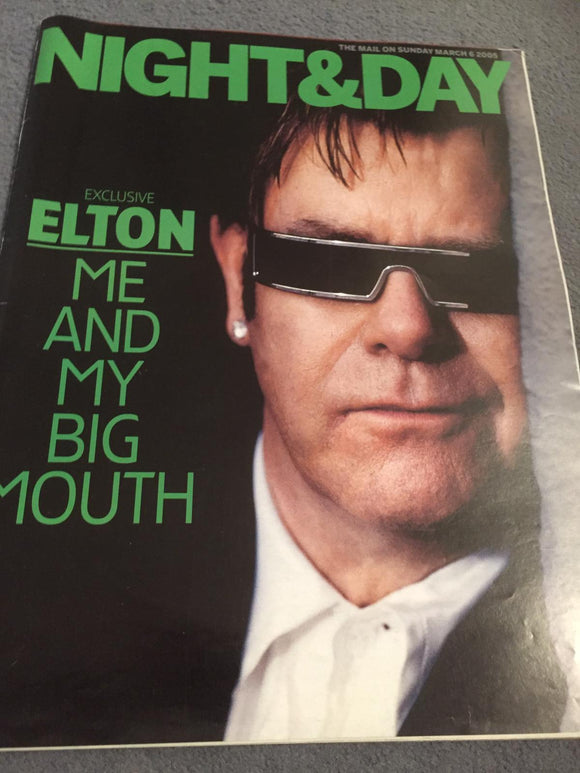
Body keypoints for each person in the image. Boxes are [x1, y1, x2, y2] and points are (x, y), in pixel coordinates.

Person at [209, 101, 568, 740]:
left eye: (479, 270)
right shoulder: (61, 603)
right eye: (330, 261)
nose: (407, 328)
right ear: (240, 282)